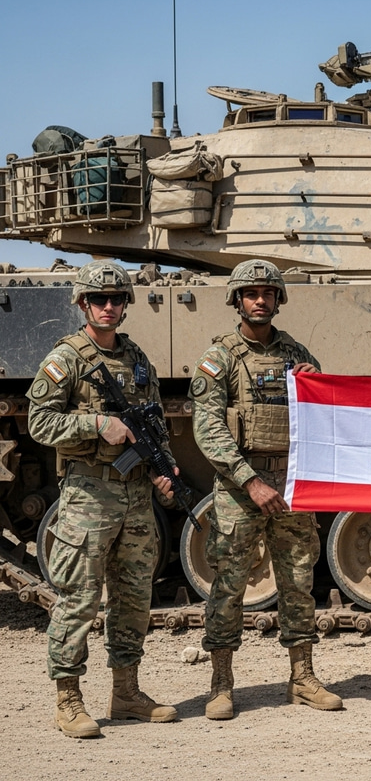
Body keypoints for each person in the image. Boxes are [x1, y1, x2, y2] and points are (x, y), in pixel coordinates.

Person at [27, 260, 178, 739]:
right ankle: (68, 699)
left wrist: (163, 467)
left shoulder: (135, 358)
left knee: (134, 597)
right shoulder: (66, 359)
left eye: (116, 300)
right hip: (88, 494)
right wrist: (96, 424)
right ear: (82, 304)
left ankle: (126, 692)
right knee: (79, 598)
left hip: (135, 497)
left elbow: (152, 423)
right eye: (99, 300)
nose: (108, 307)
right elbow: (40, 423)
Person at [190, 259, 341, 720]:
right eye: (251, 293)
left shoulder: (295, 355)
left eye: (268, 293)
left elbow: (320, 418)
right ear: (237, 300)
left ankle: (302, 677)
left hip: (292, 486)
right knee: (230, 585)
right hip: (242, 488)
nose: (260, 300)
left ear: (278, 300)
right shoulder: (221, 358)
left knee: (298, 581)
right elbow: (208, 428)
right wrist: (251, 482)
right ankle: (221, 684)